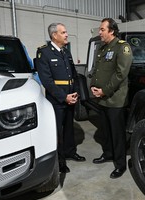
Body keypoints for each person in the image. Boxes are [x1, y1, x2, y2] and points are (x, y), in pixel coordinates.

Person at [36, 23, 86, 173]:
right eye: (63, 32)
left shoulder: (66, 52)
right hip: (57, 100)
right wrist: (64, 97)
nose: (66, 35)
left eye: (66, 32)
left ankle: (70, 152)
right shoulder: (43, 53)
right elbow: (47, 81)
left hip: (71, 96)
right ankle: (60, 160)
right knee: (57, 131)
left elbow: (74, 75)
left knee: (69, 127)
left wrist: (76, 92)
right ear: (54, 35)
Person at [90, 18, 133, 179]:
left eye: (102, 29)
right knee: (106, 130)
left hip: (115, 99)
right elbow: (98, 70)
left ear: (111, 31)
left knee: (117, 134)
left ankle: (120, 165)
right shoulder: (103, 48)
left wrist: (104, 91)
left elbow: (121, 74)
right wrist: (93, 86)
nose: (99, 32)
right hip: (102, 98)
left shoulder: (122, 47)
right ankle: (108, 154)